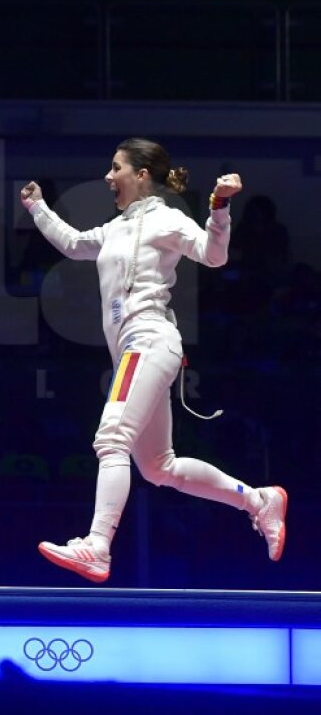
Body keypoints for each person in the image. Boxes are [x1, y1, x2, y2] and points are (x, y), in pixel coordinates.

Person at [19, 138, 287, 583]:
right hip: (134, 349)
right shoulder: (115, 228)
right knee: (159, 467)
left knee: (111, 440)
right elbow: (73, 244)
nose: (108, 177)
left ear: (141, 174)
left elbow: (213, 255)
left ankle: (98, 546)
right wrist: (37, 207)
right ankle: (258, 500)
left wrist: (219, 206)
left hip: (149, 340)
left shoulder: (167, 219)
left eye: (116, 168)